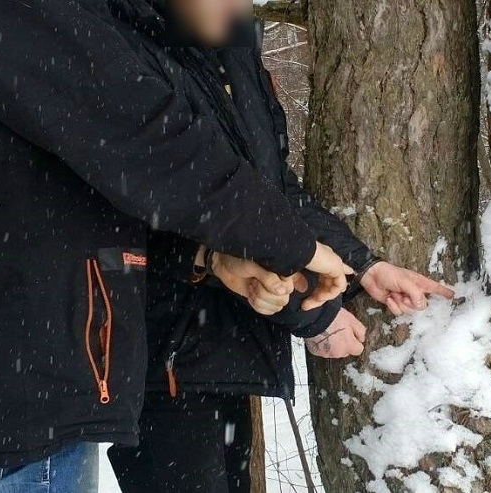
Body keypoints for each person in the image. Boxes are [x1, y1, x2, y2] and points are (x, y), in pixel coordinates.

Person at [0, 0, 355, 490]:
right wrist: (292, 250)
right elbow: (143, 139)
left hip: (23, 391)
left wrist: (211, 256)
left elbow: (81, 187)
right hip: (17, 401)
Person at [106, 1, 454, 492]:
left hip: (226, 348)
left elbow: (269, 189)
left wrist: (361, 266)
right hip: (158, 352)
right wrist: (311, 312)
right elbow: (150, 209)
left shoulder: (232, 45)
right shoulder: (115, 40)